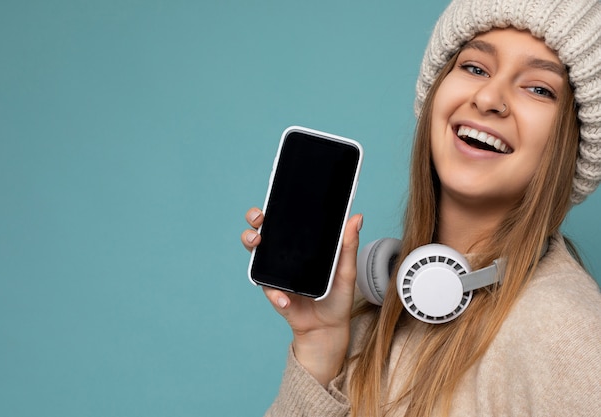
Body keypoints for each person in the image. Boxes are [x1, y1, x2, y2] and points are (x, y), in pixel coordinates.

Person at [241, 0, 601, 415]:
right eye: (475, 67)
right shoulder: (371, 317)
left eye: (539, 88)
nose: (488, 98)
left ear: (575, 143)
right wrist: (320, 346)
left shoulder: (564, 333)